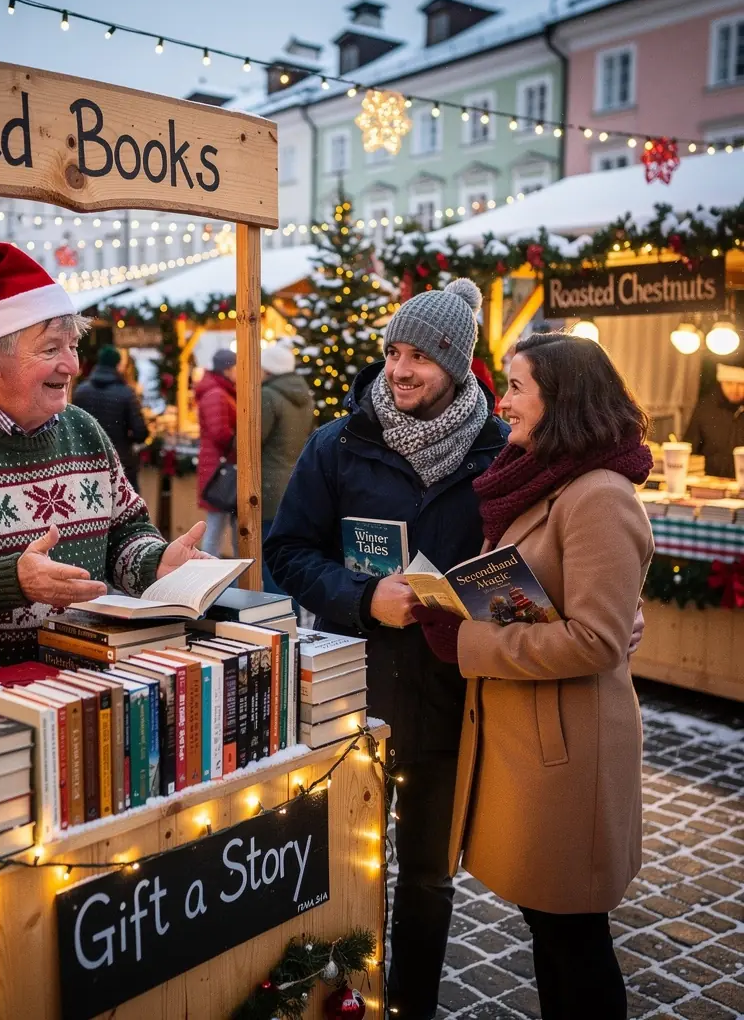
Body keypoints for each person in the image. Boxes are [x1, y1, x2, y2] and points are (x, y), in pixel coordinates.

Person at [265, 279, 508, 1018]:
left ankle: (411, 1006)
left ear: (455, 366)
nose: (400, 370)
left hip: (449, 700)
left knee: (429, 877)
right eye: (394, 351)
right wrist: (363, 596)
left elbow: (528, 563)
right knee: (341, 865)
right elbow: (288, 551)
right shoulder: (339, 444)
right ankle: (340, 1002)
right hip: (350, 696)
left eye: (420, 358)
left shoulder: (500, 454)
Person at [413, 333, 654, 1020]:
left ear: (562, 398)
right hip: (534, 746)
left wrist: (468, 640)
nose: (503, 402)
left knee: (573, 938)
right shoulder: (543, 476)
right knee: (552, 931)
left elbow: (597, 640)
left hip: (570, 753)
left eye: (517, 387)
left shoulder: (598, 495)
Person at [0, 243, 209, 664]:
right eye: (50, 349)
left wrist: (156, 563)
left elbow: (124, 532)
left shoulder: (85, 432)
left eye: (72, 346)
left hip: (79, 677)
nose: (72, 365)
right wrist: (10, 581)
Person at [259, 341, 314, 595]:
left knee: (267, 557)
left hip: (267, 487)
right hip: (292, 482)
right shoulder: (303, 395)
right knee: (285, 557)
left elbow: (251, 441)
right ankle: (290, 610)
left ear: (268, 369)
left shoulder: (268, 396)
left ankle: (277, 613)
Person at [73, 345, 149, 492]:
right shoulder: (126, 393)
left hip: (88, 463)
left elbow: (73, 429)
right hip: (120, 462)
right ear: (117, 365)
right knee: (123, 505)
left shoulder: (81, 391)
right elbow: (141, 432)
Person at [196, 347, 237, 558]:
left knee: (218, 525)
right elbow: (220, 433)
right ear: (227, 369)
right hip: (219, 469)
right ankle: (207, 570)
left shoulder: (221, 391)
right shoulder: (217, 394)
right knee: (215, 527)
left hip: (219, 466)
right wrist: (240, 443)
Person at [684, 362, 744, 478]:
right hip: (709, 481)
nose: (735, 389)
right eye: (729, 383)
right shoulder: (705, 408)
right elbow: (691, 447)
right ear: (720, 382)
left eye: (741, 384)